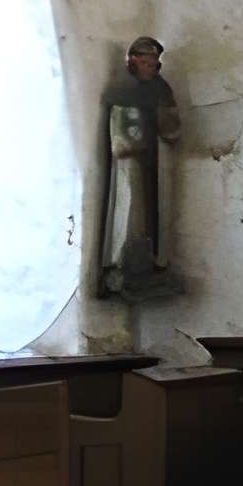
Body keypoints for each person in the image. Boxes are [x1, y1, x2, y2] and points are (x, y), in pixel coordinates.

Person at [97, 36, 181, 300]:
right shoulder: (122, 88)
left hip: (156, 157)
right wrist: (137, 142)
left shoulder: (160, 87)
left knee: (157, 211)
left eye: (154, 64)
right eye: (145, 63)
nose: (150, 68)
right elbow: (120, 134)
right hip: (129, 161)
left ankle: (153, 266)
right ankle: (117, 272)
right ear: (133, 62)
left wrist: (166, 124)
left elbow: (172, 125)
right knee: (128, 208)